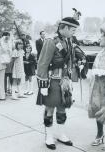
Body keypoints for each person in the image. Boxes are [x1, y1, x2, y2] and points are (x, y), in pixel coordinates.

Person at [36, 17, 80, 150]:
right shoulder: (51, 41)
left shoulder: (69, 40)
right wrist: (43, 85)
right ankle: (49, 136)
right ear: (65, 28)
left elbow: (70, 60)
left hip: (65, 81)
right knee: (50, 108)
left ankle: (61, 134)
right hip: (52, 81)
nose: (74, 32)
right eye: (72, 29)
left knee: (62, 108)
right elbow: (42, 63)